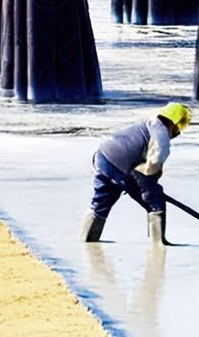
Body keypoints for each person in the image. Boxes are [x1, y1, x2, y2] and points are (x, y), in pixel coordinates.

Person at [82, 102, 192, 245]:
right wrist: (150, 176)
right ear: (173, 122)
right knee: (154, 200)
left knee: (102, 200)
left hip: (103, 157)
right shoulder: (161, 132)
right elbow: (156, 159)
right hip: (124, 165)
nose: (179, 131)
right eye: (180, 125)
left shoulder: (147, 123)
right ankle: (158, 243)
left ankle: (88, 240)